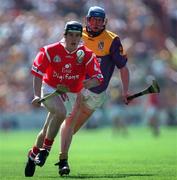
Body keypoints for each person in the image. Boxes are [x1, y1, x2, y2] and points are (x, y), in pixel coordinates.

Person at [24, 20, 104, 177]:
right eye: (71, 35)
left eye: (77, 36)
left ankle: (32, 154)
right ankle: (45, 151)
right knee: (60, 112)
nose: (74, 39)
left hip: (71, 94)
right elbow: (38, 74)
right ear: (64, 35)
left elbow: (98, 77)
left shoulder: (86, 54)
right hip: (50, 89)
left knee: (47, 129)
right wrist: (36, 95)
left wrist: (90, 82)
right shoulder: (50, 50)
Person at [58, 6, 130, 176]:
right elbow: (61, 58)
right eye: (93, 20)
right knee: (69, 121)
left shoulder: (112, 40)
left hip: (98, 93)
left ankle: (50, 139)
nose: (96, 24)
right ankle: (62, 161)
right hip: (79, 87)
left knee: (72, 129)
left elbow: (124, 68)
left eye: (100, 20)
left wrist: (126, 91)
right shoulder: (76, 34)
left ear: (104, 22)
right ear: (87, 20)